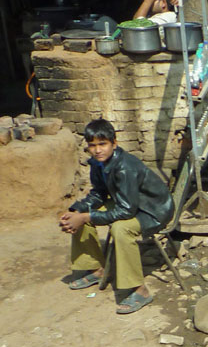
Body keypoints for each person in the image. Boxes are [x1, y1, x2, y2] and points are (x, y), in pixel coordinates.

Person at [59, 119, 173, 315]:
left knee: (121, 229)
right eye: (92, 145)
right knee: (80, 215)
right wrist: (77, 211)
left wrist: (87, 217)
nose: (97, 150)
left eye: (102, 144)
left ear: (114, 143)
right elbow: (98, 194)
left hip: (153, 210)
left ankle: (140, 290)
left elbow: (126, 211)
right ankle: (95, 269)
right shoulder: (97, 163)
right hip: (129, 202)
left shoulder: (124, 167)